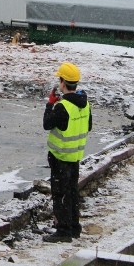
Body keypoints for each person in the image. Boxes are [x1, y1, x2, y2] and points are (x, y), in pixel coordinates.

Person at [42, 62, 91, 243]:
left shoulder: (63, 107)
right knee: (71, 191)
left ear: (62, 83)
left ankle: (63, 230)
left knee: (60, 193)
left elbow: (47, 124)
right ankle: (74, 227)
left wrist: (50, 104)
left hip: (60, 157)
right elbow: (89, 126)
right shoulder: (85, 105)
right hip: (75, 156)